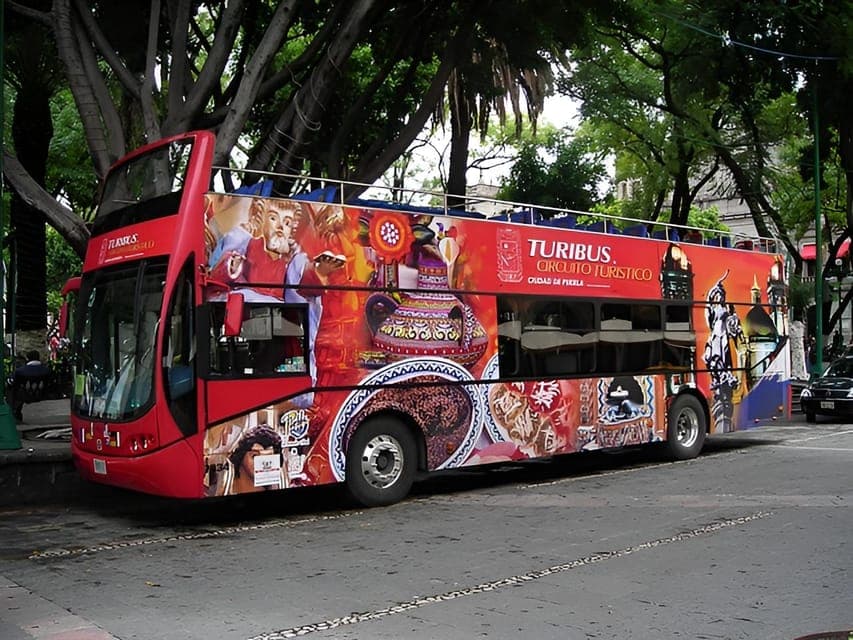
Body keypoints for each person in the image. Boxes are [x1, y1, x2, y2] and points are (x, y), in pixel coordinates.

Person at [209, 198, 301, 301]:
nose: (280, 227)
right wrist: (233, 266)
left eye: (287, 223)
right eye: (273, 218)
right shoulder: (245, 243)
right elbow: (220, 279)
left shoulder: (292, 263)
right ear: (262, 221)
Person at [226, 425, 285, 494]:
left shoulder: (281, 484)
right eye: (255, 456)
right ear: (241, 456)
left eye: (269, 457)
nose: (262, 463)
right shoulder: (223, 486)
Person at [10, 350, 51, 420]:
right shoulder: (47, 370)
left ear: (27, 359)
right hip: (42, 394)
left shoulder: (20, 371)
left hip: (24, 395)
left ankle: (15, 411)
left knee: (11, 388)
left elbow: (12, 383)